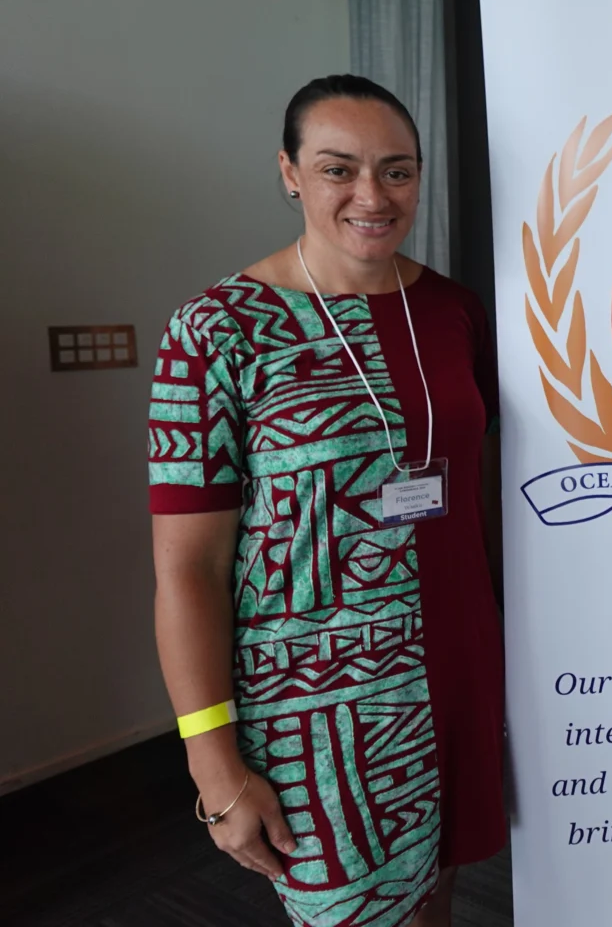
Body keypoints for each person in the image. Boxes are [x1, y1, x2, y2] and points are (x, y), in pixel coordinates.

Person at [148, 75, 506, 927]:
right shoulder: (215, 331)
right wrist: (212, 761)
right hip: (323, 705)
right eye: (338, 169)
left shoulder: (455, 312)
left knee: (436, 894)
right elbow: (186, 568)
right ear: (290, 173)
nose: (371, 196)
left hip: (458, 662)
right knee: (352, 910)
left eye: (398, 171)